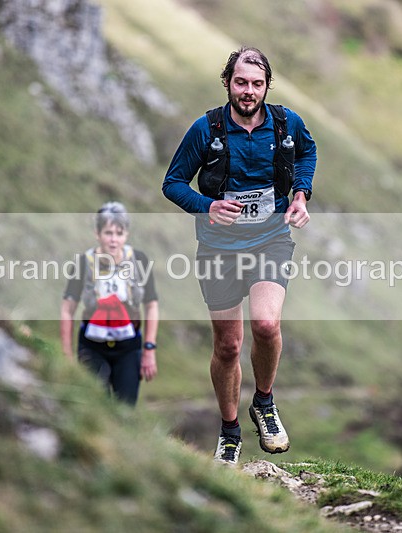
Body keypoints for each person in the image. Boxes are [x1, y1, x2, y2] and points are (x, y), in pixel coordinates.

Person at [162, 47, 317, 465]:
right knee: (228, 347)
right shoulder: (206, 129)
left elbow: (307, 152)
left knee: (266, 324)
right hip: (218, 249)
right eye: (241, 82)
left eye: (257, 84)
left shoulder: (287, 123)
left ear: (267, 86)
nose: (249, 91)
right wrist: (206, 206)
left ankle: (264, 404)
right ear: (228, 83)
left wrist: (300, 193)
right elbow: (173, 183)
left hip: (270, 238)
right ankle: (230, 433)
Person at [60, 202, 159, 405]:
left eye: (119, 233)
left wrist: (149, 349)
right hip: (91, 347)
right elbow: (67, 309)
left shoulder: (139, 261)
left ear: (127, 234)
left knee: (126, 409)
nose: (114, 240)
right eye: (108, 233)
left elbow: (151, 305)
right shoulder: (83, 262)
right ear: (97, 233)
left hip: (129, 348)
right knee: (95, 407)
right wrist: (67, 354)